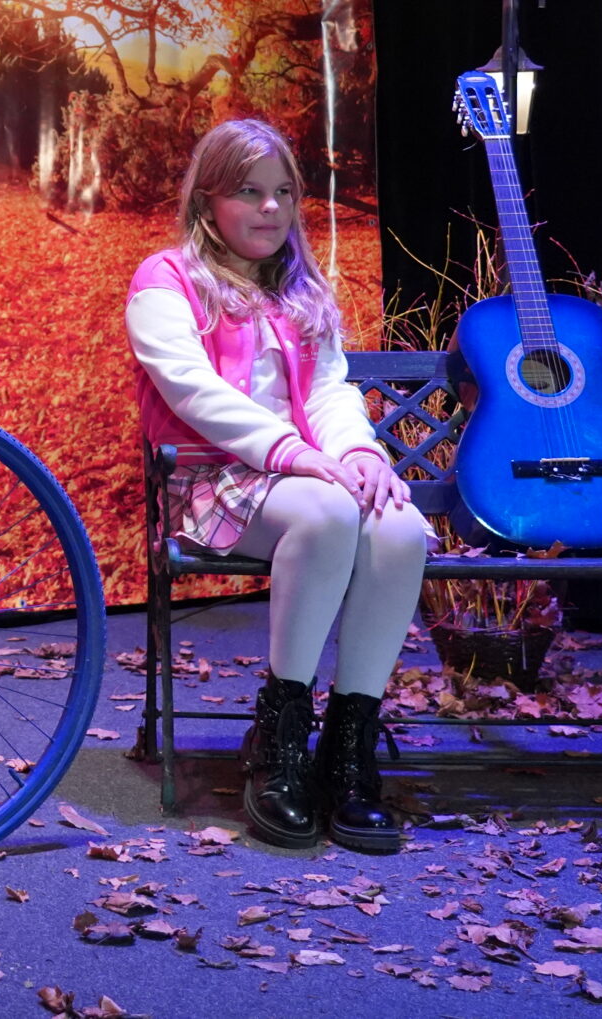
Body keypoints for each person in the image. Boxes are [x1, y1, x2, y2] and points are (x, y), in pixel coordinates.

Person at [126, 118, 429, 853]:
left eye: (284, 192)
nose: (270, 208)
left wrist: (358, 452)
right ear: (207, 200)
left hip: (303, 473)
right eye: (249, 191)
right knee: (326, 514)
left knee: (399, 528)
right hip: (209, 476)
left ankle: (348, 749)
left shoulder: (300, 289)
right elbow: (192, 390)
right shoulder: (167, 280)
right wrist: (290, 452)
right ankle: (280, 740)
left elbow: (329, 389)